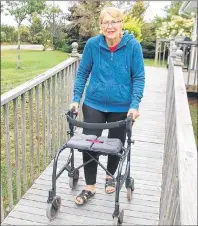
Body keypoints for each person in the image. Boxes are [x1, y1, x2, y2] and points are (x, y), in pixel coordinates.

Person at [70, 6, 145, 205]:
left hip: (121, 106)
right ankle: (90, 187)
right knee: (89, 144)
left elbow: (138, 77)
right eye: (105, 22)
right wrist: (76, 99)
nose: (110, 26)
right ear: (101, 25)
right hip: (94, 103)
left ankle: (110, 175)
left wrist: (134, 105)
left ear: (121, 24)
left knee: (116, 144)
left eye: (114, 21)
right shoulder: (93, 45)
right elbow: (82, 73)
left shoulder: (133, 46)